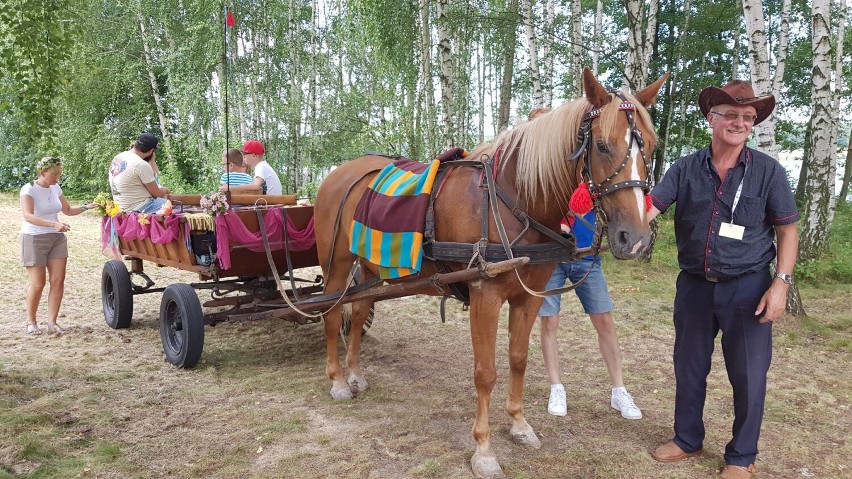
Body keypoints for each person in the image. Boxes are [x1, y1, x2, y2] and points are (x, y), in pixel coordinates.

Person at [647, 80, 799, 479]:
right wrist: (610, 222)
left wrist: (780, 283)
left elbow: (787, 230)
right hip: (695, 286)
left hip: (749, 288)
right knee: (690, 367)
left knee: (749, 375)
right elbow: (650, 208)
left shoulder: (768, 172)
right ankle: (686, 439)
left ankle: (741, 456)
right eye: (731, 114)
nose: (740, 123)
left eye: (747, 117)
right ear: (711, 118)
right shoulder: (684, 168)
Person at [538, 211, 643, 420]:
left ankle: (619, 390)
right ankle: (556, 387)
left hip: (587, 257)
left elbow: (616, 205)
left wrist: (632, 233)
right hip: (552, 257)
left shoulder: (594, 181)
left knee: (604, 321)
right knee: (549, 321)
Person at [20, 156, 99, 335]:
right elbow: (28, 216)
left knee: (57, 281)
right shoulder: (29, 189)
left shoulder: (56, 187)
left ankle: (52, 322)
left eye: (59, 174)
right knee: (38, 284)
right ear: (42, 173)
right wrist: (54, 224)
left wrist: (87, 207)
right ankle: (31, 322)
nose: (58, 178)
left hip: (57, 238)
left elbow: (68, 210)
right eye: (54, 174)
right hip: (34, 238)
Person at [108, 133, 171, 213]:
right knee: (173, 205)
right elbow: (157, 194)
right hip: (139, 208)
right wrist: (165, 190)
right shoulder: (140, 164)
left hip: (120, 206)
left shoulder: (118, 157)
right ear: (151, 151)